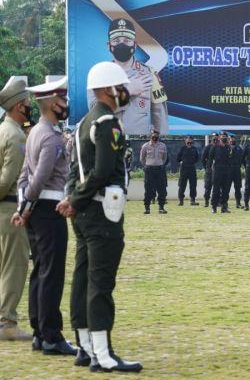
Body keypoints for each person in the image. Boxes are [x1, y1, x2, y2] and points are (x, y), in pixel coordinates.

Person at [58, 61, 142, 372]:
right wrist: (76, 200)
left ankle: (85, 347)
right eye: (122, 87)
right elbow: (103, 171)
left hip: (84, 212)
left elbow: (74, 171)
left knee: (82, 279)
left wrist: (72, 199)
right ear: (108, 89)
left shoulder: (84, 123)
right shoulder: (107, 123)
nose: (126, 92)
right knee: (100, 283)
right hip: (101, 212)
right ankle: (103, 356)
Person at [11, 77, 76, 354]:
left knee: (40, 271)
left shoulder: (35, 132)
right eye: (62, 100)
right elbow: (39, 178)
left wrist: (23, 208)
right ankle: (51, 335)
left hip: (36, 211)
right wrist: (26, 208)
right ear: (51, 104)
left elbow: (24, 176)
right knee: (52, 273)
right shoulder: (51, 137)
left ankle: (39, 331)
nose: (66, 104)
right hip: (49, 210)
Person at [88, 18, 168, 135]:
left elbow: (160, 117)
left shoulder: (150, 74)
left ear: (135, 45)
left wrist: (160, 141)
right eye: (116, 40)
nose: (122, 44)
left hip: (139, 143)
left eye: (127, 40)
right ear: (109, 45)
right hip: (108, 142)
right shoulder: (99, 75)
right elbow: (95, 112)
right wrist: (127, 91)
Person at [0, 79, 31, 341]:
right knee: (14, 266)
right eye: (28, 103)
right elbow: (6, 180)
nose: (30, 107)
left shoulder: (2, 130)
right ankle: (7, 322)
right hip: (9, 208)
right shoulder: (16, 136)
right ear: (20, 106)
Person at [140, 129, 168, 214]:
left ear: (158, 135)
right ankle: (147, 208)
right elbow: (142, 158)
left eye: (156, 135)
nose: (155, 136)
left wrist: (160, 164)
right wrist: (146, 166)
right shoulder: (145, 146)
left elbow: (165, 158)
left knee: (162, 189)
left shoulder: (163, 145)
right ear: (151, 135)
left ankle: (161, 208)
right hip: (149, 170)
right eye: (153, 134)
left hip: (160, 169)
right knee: (148, 189)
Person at [208, 132, 232, 214]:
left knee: (226, 191)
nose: (224, 138)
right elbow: (210, 159)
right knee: (216, 190)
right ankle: (214, 207)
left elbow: (231, 159)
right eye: (222, 136)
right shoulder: (215, 147)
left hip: (226, 171)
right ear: (219, 137)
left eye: (225, 136)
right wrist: (209, 170)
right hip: (217, 171)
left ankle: (224, 207)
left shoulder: (228, 147)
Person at [177, 136, 199, 206]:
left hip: (192, 168)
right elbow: (178, 158)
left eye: (190, 140)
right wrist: (182, 162)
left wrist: (191, 163)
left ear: (192, 141)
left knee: (193, 185)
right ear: (185, 141)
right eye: (188, 140)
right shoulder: (182, 149)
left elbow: (197, 158)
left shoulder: (194, 149)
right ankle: (181, 200)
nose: (189, 142)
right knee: (182, 185)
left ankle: (192, 200)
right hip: (184, 168)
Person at [201, 133, 218, 207]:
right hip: (209, 170)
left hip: (218, 170)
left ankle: (217, 201)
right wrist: (207, 167)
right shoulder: (207, 147)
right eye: (214, 137)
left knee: (217, 187)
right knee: (208, 186)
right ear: (211, 138)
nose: (215, 139)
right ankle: (206, 201)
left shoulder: (219, 147)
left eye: (216, 137)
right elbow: (203, 158)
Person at [228, 135, 243, 209]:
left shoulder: (239, 148)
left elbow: (243, 158)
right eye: (231, 139)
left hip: (237, 169)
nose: (232, 140)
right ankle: (224, 203)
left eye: (233, 138)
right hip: (228, 170)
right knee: (226, 187)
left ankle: (238, 203)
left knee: (238, 187)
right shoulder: (226, 148)